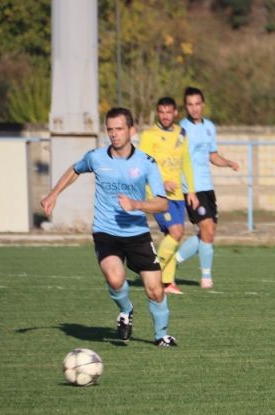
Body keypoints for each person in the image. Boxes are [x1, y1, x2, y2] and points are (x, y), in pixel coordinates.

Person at [40, 107, 177, 347]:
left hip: (137, 233)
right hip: (106, 231)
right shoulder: (96, 157)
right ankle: (126, 310)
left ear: (131, 130)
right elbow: (75, 169)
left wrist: (136, 204)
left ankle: (161, 335)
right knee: (115, 278)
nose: (114, 134)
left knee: (155, 290)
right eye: (110, 129)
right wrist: (54, 194)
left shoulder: (146, 163)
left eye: (119, 129)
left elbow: (162, 202)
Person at [176, 86, 240, 289]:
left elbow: (213, 156)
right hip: (191, 188)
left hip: (207, 187)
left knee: (208, 233)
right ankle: (206, 277)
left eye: (197, 104)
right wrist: (188, 189)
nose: (194, 108)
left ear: (203, 105)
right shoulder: (181, 129)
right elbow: (178, 160)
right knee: (207, 229)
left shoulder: (210, 127)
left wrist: (228, 163)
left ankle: (171, 262)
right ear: (185, 106)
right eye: (190, 104)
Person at [139, 96, 199, 295]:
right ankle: (153, 272)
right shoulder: (149, 135)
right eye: (161, 112)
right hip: (157, 194)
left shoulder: (181, 133)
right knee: (176, 232)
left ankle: (168, 282)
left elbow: (186, 162)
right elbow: (143, 165)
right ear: (158, 113)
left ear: (175, 113)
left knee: (172, 237)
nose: (165, 116)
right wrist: (161, 183)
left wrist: (191, 190)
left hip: (177, 195)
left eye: (168, 112)